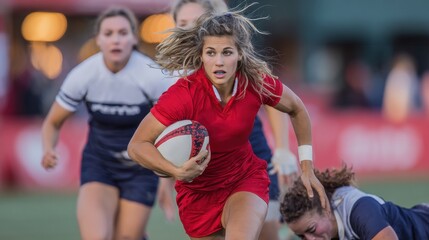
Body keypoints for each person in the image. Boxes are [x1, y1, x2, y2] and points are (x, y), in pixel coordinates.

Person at [128, 8, 329, 240]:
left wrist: (306, 167)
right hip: (198, 196)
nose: (219, 62)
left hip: (244, 180)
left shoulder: (255, 82)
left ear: (240, 54)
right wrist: (175, 170)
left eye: (227, 52)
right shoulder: (183, 94)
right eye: (211, 53)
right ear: (201, 55)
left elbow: (297, 108)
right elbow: (137, 145)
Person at [156, 1, 299, 240]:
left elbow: (275, 99)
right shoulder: (170, 77)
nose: (190, 29)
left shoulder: (232, 58)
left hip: (250, 156)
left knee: (266, 233)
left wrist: (283, 149)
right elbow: (172, 136)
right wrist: (167, 176)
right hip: (206, 175)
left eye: (197, 22)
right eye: (183, 24)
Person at [41, 6, 174, 240]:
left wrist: (167, 177)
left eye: (123, 33)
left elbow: (171, 129)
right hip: (100, 164)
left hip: (140, 169)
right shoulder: (84, 75)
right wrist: (48, 148)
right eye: (109, 33)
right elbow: (52, 122)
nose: (116, 40)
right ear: (98, 39)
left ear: (133, 38)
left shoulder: (153, 76)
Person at [280, 166, 429, 240]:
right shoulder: (326, 233)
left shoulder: (359, 210)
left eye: (312, 229)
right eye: (302, 237)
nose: (310, 239)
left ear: (326, 209)